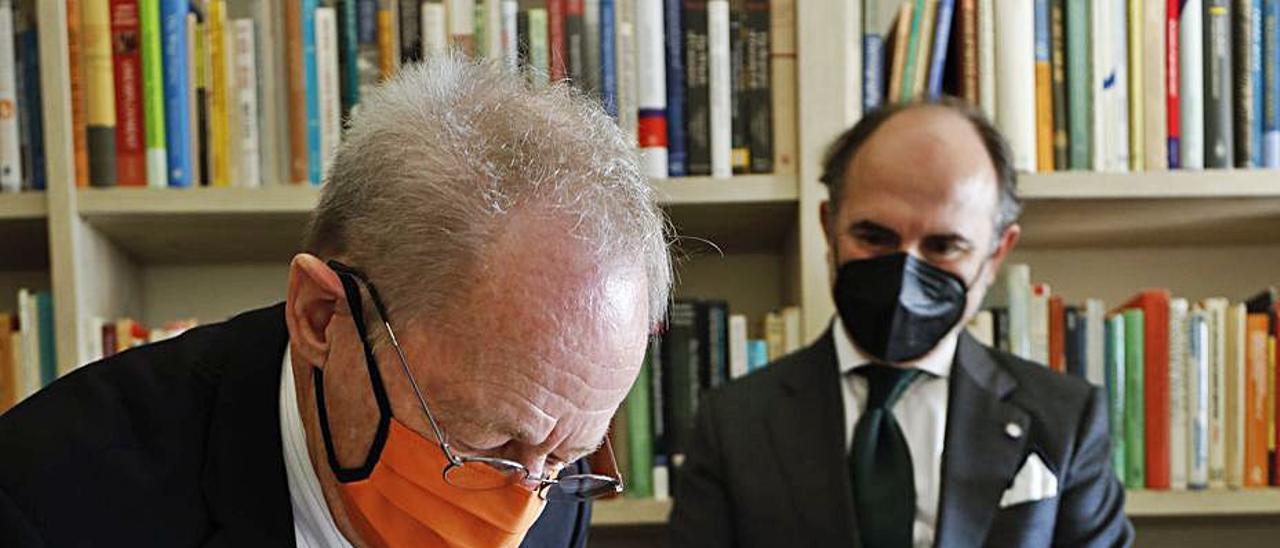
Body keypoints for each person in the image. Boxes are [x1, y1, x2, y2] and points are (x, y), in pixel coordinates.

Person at [0, 55, 672, 547]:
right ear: (321, 317)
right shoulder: (46, 506)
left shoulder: (555, 500)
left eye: (564, 457)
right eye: (482, 443)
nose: (516, 515)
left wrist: (532, 457)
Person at [668, 101, 1133, 547]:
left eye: (944, 246)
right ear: (829, 227)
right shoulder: (733, 422)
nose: (905, 274)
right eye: (874, 236)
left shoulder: (1067, 420)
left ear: (996, 255)